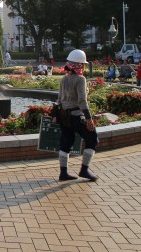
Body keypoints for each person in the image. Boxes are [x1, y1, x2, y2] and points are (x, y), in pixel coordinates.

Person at [55, 49, 99, 182]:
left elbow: (59, 98)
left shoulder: (64, 78)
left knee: (66, 143)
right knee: (92, 139)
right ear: (80, 65)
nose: (84, 66)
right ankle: (84, 170)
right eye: (83, 64)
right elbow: (81, 101)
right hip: (76, 115)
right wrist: (88, 118)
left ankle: (63, 173)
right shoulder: (80, 79)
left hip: (64, 116)